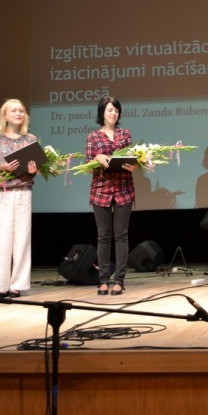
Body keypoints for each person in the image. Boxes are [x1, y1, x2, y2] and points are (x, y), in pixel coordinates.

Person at [0, 99, 38, 298]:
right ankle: (1, 286)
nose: (18, 113)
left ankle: (17, 285)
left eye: (21, 111)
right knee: (3, 239)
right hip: (3, 193)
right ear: (4, 115)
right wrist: (3, 167)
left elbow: (33, 171)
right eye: (14, 111)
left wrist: (33, 170)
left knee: (22, 239)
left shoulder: (30, 139)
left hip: (23, 191)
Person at [85, 96, 136, 296]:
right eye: (109, 110)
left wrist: (134, 165)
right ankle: (103, 280)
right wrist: (97, 158)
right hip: (101, 191)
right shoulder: (93, 137)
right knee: (104, 236)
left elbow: (132, 160)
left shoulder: (125, 134)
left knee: (121, 235)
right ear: (102, 113)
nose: (113, 113)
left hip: (124, 189)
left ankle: (119, 281)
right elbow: (88, 166)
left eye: (116, 110)